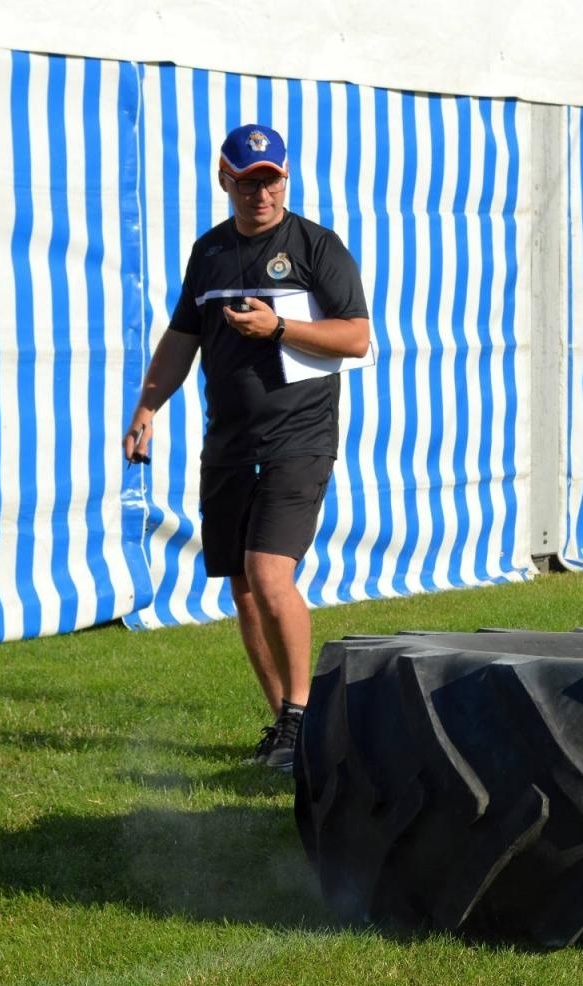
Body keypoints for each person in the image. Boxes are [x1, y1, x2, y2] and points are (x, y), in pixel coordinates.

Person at [123, 123, 371, 772]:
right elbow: (182, 338)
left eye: (272, 179)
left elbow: (356, 338)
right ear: (225, 180)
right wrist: (148, 405)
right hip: (228, 441)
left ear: (286, 178)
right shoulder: (207, 254)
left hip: (301, 437)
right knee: (242, 589)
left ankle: (302, 718)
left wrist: (280, 325)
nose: (262, 192)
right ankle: (285, 726)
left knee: (269, 572)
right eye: (248, 180)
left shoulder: (318, 247)